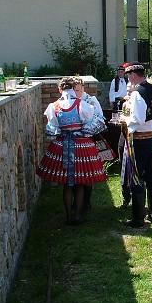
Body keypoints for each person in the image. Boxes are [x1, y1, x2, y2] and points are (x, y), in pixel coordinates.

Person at [37, 76, 107, 225]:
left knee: (67, 184)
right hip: (81, 145)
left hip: (62, 145)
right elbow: (95, 122)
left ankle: (68, 216)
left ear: (60, 89)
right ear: (73, 88)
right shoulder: (81, 105)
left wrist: (63, 131)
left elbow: (51, 129)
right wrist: (82, 131)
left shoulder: (53, 106)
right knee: (80, 182)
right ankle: (78, 216)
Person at [120, 62, 152, 228]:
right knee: (151, 174)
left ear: (132, 75)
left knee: (136, 175)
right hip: (151, 137)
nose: (129, 80)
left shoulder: (137, 93)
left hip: (139, 138)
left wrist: (125, 119)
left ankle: (138, 219)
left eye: (129, 76)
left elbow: (137, 119)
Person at [73, 76, 108, 210]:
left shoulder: (90, 100)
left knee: (88, 171)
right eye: (74, 89)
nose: (76, 92)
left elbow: (100, 118)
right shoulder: (69, 100)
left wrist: (87, 127)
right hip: (75, 140)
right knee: (76, 171)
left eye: (77, 89)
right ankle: (77, 201)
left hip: (89, 138)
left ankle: (86, 201)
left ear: (82, 87)